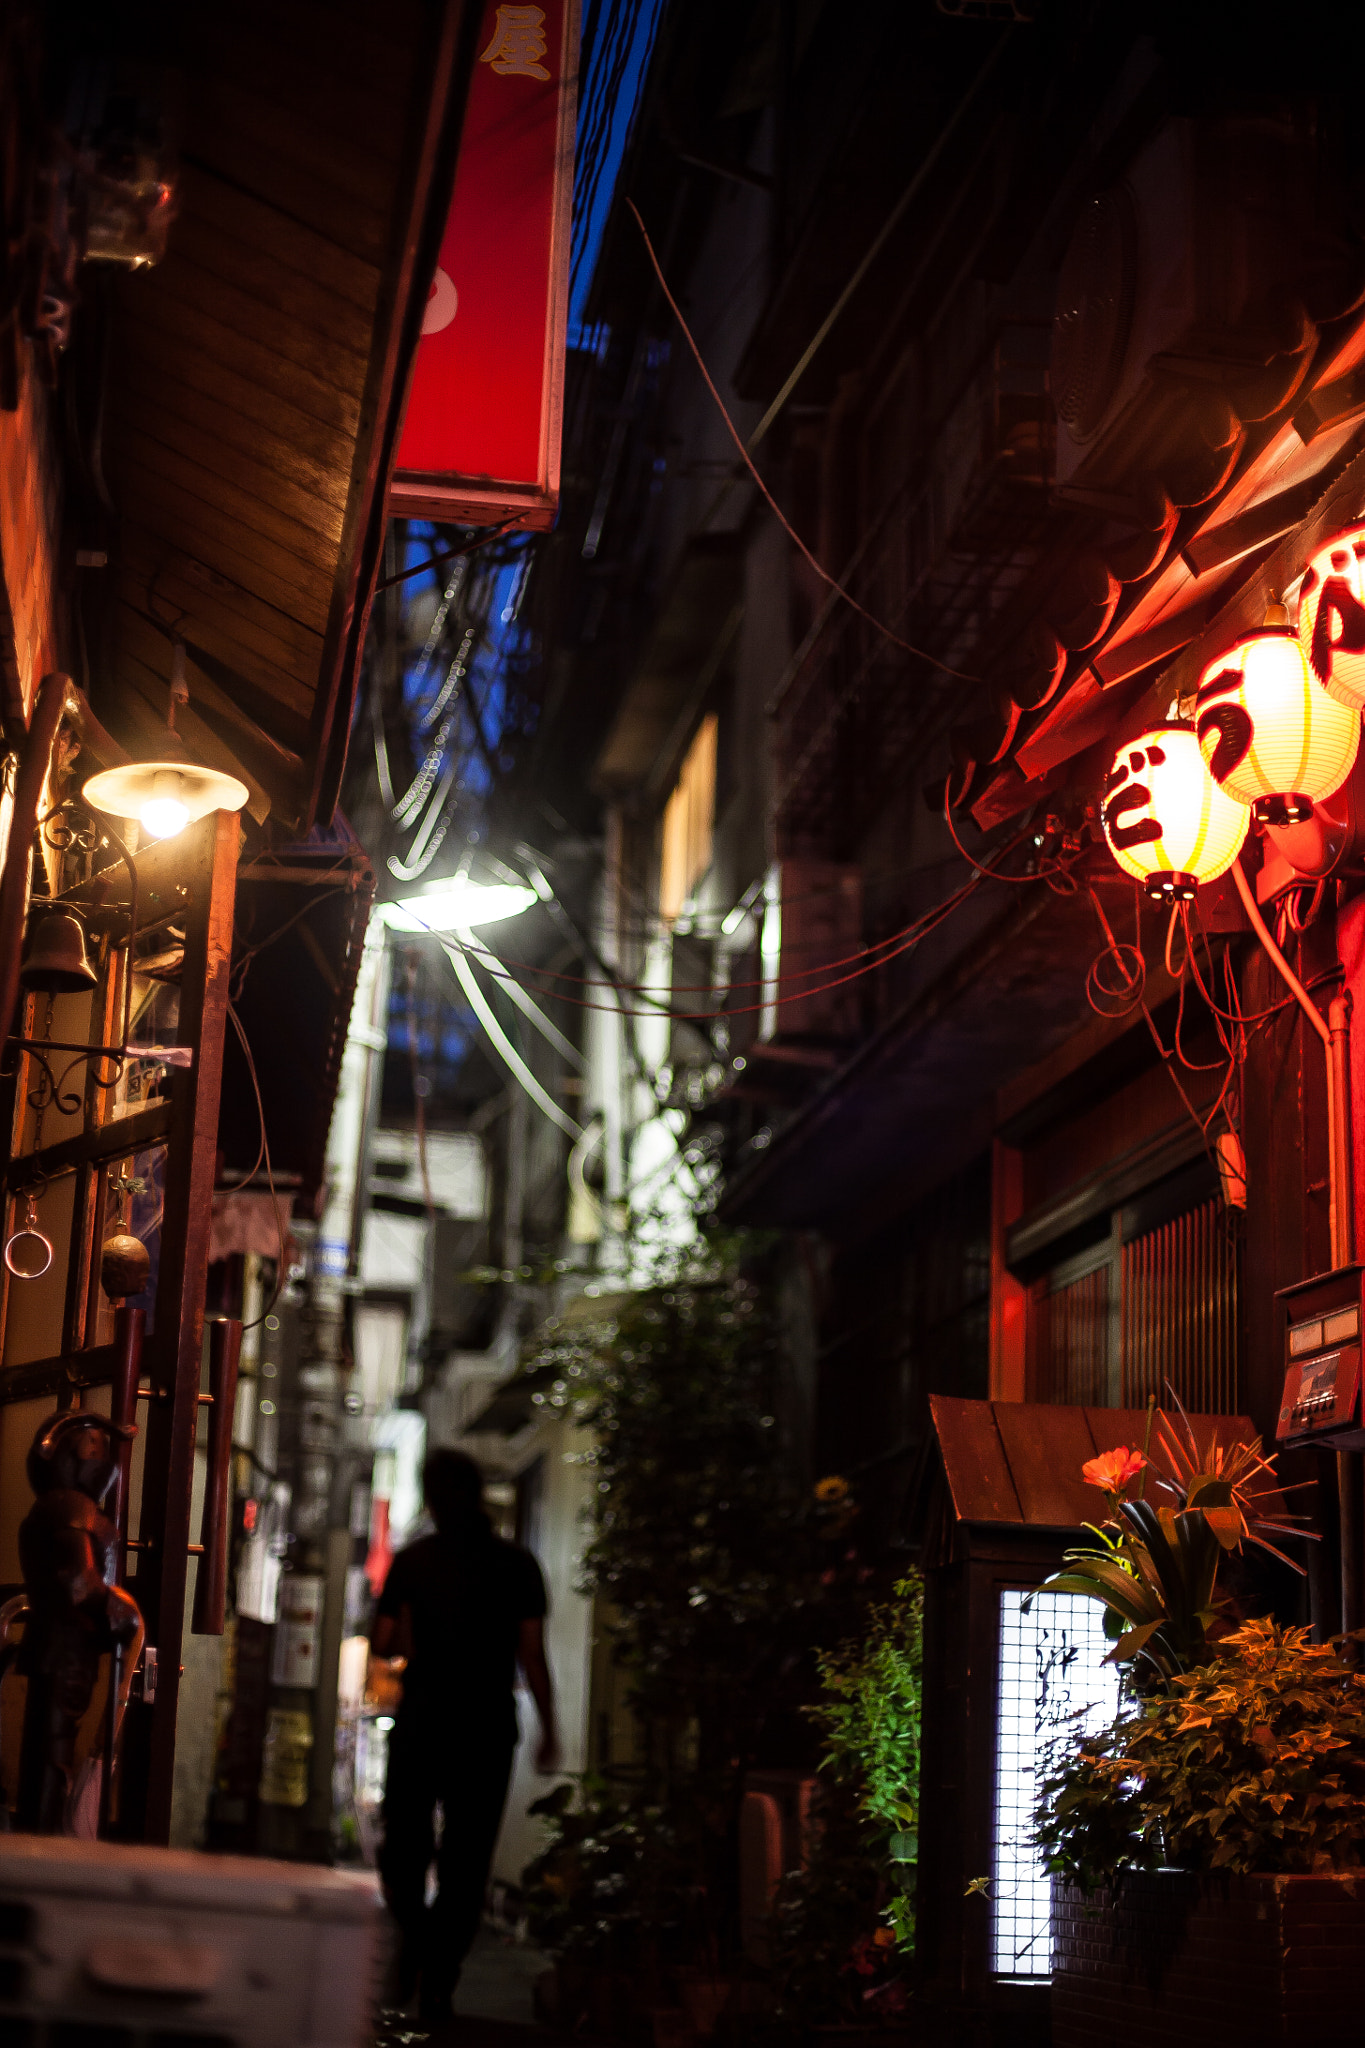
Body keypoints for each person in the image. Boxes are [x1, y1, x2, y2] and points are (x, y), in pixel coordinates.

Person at [371, 1448, 560, 2020]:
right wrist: (549, 1728)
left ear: (430, 1498)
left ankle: (412, 1939)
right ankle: (438, 1981)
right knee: (467, 1860)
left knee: (403, 1844)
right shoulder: (517, 1564)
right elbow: (531, 1653)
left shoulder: (414, 1562)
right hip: (486, 1728)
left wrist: (410, 1636)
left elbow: (383, 1643)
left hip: (424, 1718)